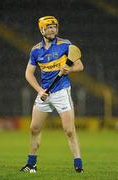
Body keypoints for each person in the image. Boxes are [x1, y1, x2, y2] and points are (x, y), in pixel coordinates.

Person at [20, 16, 84, 173]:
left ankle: (78, 166)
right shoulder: (35, 50)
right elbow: (28, 73)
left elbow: (80, 65)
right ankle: (31, 165)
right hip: (45, 93)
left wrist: (69, 69)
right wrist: (40, 90)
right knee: (34, 128)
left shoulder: (65, 45)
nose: (53, 30)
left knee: (69, 130)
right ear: (42, 29)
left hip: (62, 91)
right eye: (49, 27)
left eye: (54, 27)